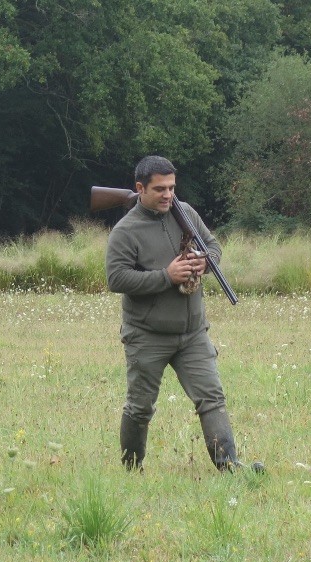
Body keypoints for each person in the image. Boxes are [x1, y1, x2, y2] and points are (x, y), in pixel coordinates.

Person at [105, 155, 243, 472]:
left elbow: (213, 246)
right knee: (140, 408)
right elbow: (116, 279)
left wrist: (203, 262)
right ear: (139, 188)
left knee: (212, 399)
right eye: (160, 189)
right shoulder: (125, 231)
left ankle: (230, 468)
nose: (168, 195)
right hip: (147, 335)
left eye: (171, 187)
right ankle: (130, 470)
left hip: (192, 333)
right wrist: (167, 276)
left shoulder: (186, 213)